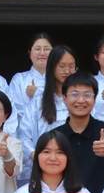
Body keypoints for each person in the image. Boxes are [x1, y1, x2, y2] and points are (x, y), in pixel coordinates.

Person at [16, 45, 78, 185]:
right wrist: (36, 155)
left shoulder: (81, 101)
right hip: (42, 168)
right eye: (62, 66)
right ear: (52, 67)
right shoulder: (38, 100)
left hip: (74, 168)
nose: (67, 71)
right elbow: (24, 135)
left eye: (71, 66)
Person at [8, 33, 53, 115]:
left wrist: (37, 93)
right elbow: (14, 110)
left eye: (46, 49)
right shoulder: (19, 79)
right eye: (37, 49)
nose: (42, 53)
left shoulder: (60, 79)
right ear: (29, 53)